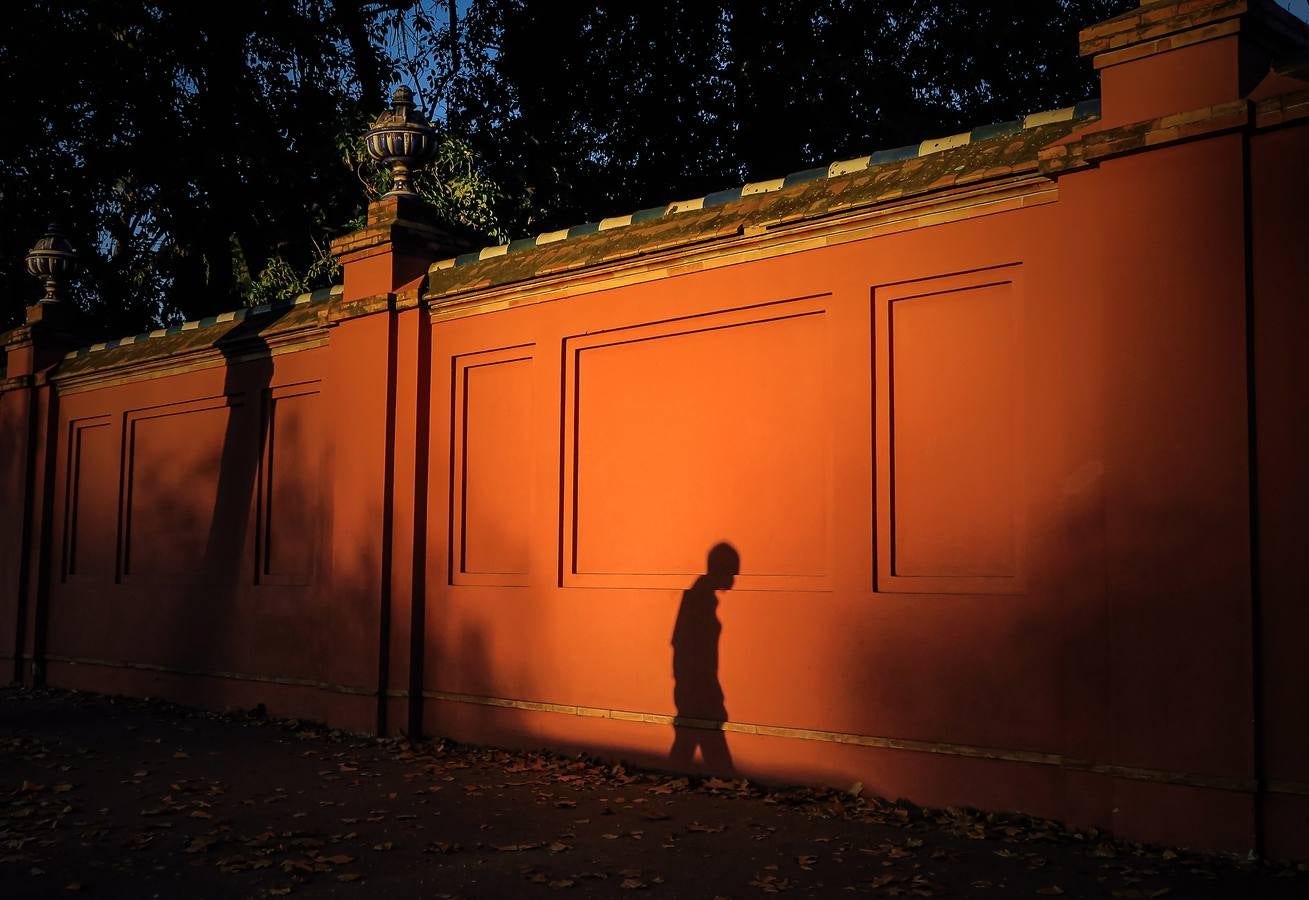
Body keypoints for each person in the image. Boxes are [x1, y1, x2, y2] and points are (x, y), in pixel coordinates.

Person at [669, 542, 739, 771]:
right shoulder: (699, 601)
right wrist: (707, 690)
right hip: (699, 688)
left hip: (695, 688)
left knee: (688, 743)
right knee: (702, 742)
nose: (734, 580)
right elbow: (688, 649)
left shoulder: (700, 598)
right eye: (732, 572)